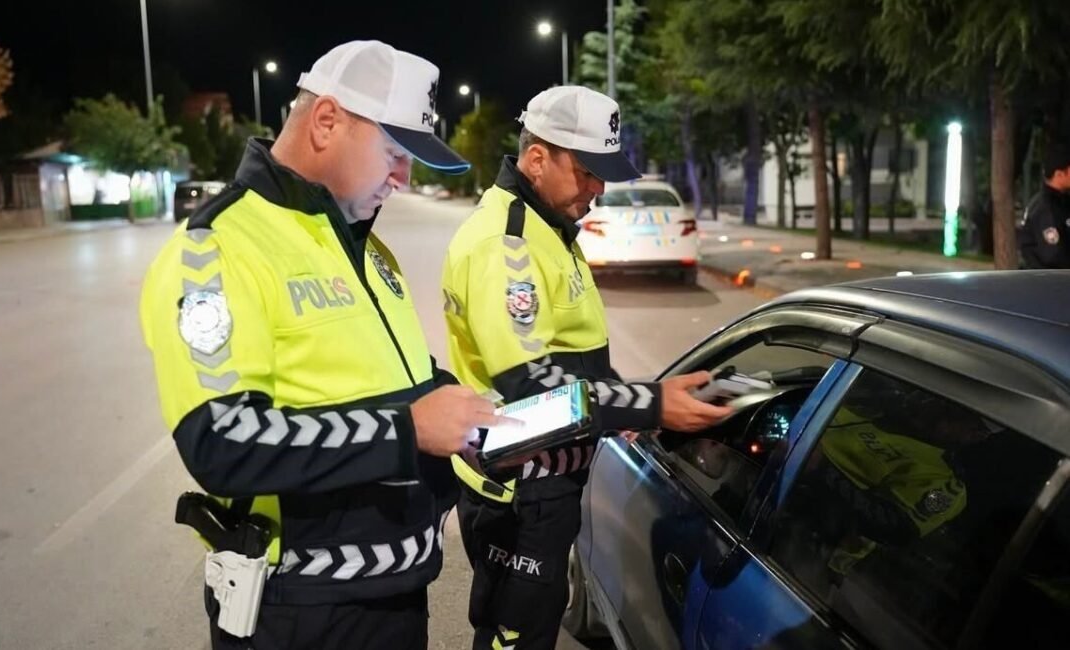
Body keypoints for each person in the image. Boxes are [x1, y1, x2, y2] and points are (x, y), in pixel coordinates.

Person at [140, 40, 501, 650]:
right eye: (394, 152)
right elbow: (221, 442)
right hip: (300, 614)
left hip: (396, 598)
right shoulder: (215, 248)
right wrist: (408, 431)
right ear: (327, 120)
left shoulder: (364, 246)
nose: (403, 177)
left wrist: (470, 417)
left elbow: (395, 380)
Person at [440, 85, 731, 650]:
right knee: (513, 639)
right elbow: (532, 386)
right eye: (588, 172)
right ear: (537, 158)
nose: (599, 188)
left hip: (545, 482)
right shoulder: (506, 244)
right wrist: (650, 403)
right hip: (517, 491)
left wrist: (626, 406)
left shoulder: (547, 226)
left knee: (537, 625)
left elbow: (574, 355)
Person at [1019, 141, 1070, 269]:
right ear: (1059, 174)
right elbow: (1053, 256)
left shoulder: (1062, 202)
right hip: (1049, 279)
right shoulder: (1044, 208)